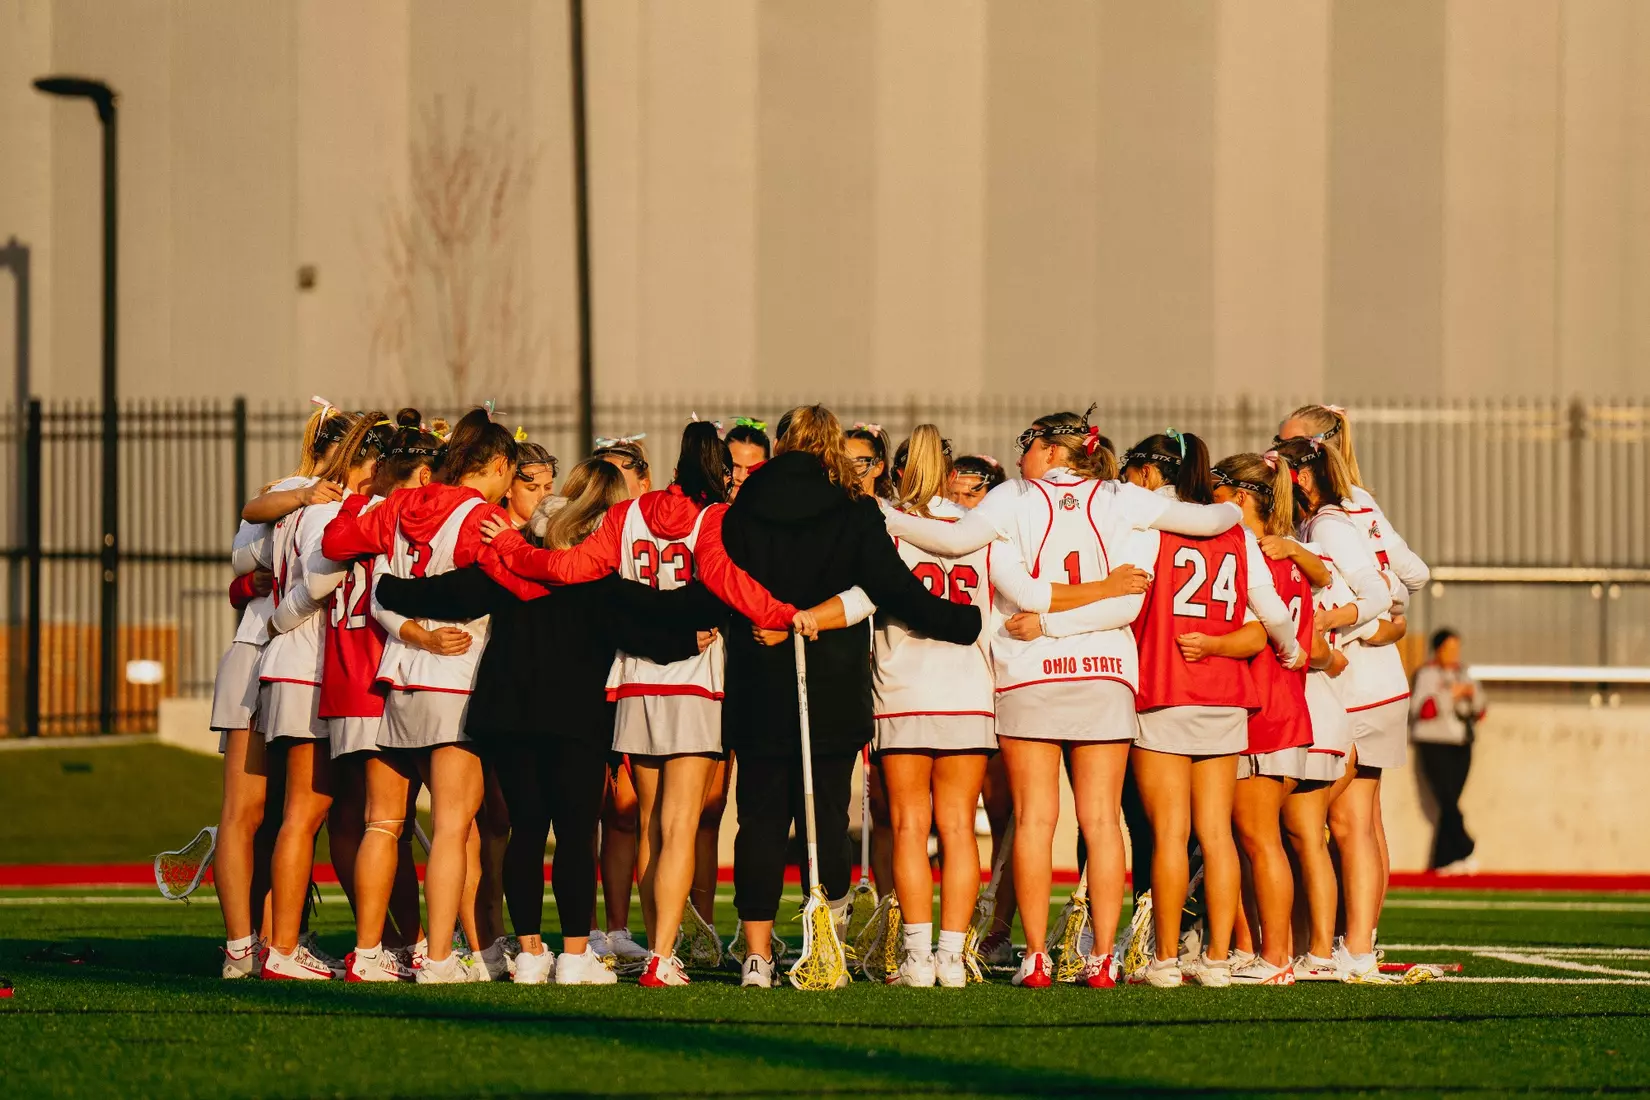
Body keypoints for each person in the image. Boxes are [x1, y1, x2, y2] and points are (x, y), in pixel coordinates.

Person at [884, 409, 1240, 989]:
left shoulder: (1012, 498)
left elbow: (980, 561)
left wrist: (882, 513)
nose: (1019, 456)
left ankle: (1034, 957)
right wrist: (1245, 510)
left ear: (1051, 449)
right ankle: (1103, 959)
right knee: (1102, 820)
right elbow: (1207, 528)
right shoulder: (1125, 497)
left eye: (1027, 445)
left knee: (1034, 820)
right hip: (1106, 674)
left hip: (1030, 673)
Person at [483, 421, 831, 987]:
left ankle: (648, 945)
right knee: (680, 824)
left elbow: (568, 569)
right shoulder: (712, 518)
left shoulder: (626, 515)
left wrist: (509, 546)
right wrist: (787, 614)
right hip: (693, 681)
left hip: (635, 681)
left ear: (672, 470)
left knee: (647, 826)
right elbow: (728, 584)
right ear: (718, 473)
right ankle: (662, 957)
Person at [378, 457, 729, 985]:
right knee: (573, 834)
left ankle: (529, 954)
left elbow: (453, 593)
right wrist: (686, 640)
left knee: (525, 831)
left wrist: (388, 587)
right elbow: (634, 623)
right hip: (575, 715)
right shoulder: (594, 574)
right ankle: (573, 955)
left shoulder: (510, 562)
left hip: (509, 712)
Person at [716, 406, 982, 989]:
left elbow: (722, 580)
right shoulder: (852, 507)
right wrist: (962, 622)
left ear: (782, 444)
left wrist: (768, 617)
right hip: (832, 679)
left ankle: (757, 955)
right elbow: (892, 587)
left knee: (759, 818)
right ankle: (826, 945)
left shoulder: (743, 507)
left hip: (758, 677)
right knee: (826, 816)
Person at [322, 406, 539, 982]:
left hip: (397, 675)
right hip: (455, 675)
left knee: (382, 823)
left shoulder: (400, 504)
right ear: (498, 465)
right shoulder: (482, 517)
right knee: (452, 827)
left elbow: (341, 542)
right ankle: (439, 958)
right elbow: (512, 585)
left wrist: (354, 499)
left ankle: (369, 953)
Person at [209, 402, 348, 977]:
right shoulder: (296, 493)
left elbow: (245, 568)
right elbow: (244, 558)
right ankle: (244, 945)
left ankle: (263, 943)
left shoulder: (321, 499)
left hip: (278, 652)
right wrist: (300, 498)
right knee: (249, 811)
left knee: (274, 815)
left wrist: (251, 581)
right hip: (264, 651)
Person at [258, 412, 388, 980]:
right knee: (304, 813)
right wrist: (280, 621)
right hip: (307, 666)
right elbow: (316, 583)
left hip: (296, 668)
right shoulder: (328, 509)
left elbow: (249, 555)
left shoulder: (298, 503)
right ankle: (283, 950)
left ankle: (285, 946)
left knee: (311, 814)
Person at [1271, 436, 1403, 982]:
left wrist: (1338, 622)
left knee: (1342, 825)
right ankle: (1350, 946)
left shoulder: (1327, 525)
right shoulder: (1325, 523)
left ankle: (1350, 947)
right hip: (1361, 684)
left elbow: (1383, 591)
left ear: (1301, 477)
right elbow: (1406, 579)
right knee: (1353, 824)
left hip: (1361, 689)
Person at [869, 426, 996, 988]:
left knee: (908, 825)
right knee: (959, 829)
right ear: (949, 472)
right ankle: (951, 958)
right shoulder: (980, 526)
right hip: (968, 689)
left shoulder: (885, 523)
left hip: (903, 690)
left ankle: (918, 959)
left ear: (899, 471)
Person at [1410, 629, 1485, 875]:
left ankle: (1441, 862)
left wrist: (1470, 695)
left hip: (1461, 744)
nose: (1454, 654)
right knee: (1447, 799)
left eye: (1457, 648)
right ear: (1438, 649)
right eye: (1449, 648)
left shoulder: (1464, 673)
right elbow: (1421, 709)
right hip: (1434, 743)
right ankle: (1465, 846)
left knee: (1450, 803)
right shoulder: (1426, 674)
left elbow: (1481, 707)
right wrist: (1449, 695)